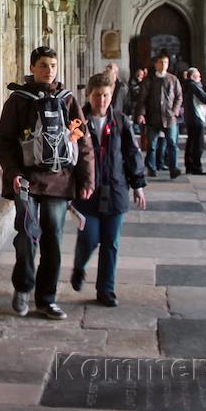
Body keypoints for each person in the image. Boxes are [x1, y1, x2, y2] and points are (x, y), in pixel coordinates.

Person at [0, 46, 94, 320]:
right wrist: (13, 173)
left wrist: (87, 178)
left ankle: (46, 299)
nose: (49, 70)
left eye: (52, 65)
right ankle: (23, 288)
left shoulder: (67, 100)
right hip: (26, 182)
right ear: (32, 68)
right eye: (43, 65)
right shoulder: (18, 100)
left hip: (58, 181)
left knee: (53, 240)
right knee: (27, 237)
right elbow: (3, 142)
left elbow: (83, 141)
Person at [70, 73, 147, 306]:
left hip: (115, 189)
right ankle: (79, 266)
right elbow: (69, 155)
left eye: (105, 95)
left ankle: (106, 290)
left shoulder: (121, 121)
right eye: (97, 95)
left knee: (111, 242)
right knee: (89, 238)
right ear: (89, 95)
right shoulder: (77, 122)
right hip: (87, 192)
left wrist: (138, 185)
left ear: (111, 96)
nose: (101, 100)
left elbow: (131, 153)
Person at [135, 52, 183, 178]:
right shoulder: (149, 80)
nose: (164, 65)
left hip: (169, 117)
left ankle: (173, 168)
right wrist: (141, 114)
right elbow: (142, 99)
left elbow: (179, 97)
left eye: (166, 62)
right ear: (156, 64)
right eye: (161, 62)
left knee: (172, 143)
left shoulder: (173, 79)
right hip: (153, 117)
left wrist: (174, 111)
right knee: (152, 145)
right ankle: (152, 167)